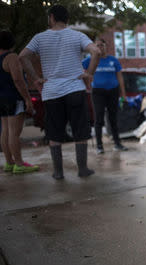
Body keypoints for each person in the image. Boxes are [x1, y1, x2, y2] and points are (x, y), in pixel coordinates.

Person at [19, 5, 100, 179]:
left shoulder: (39, 38)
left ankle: (58, 172)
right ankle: (83, 169)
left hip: (52, 92)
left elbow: (22, 56)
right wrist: (89, 74)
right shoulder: (77, 35)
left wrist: (35, 78)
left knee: (54, 133)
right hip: (75, 90)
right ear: (67, 20)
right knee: (80, 131)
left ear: (51, 17)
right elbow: (96, 51)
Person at [0, 30, 39, 174]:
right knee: (14, 133)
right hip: (13, 98)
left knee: (5, 130)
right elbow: (18, 79)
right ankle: (19, 164)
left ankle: (9, 163)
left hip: (1, 98)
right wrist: (27, 99)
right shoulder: (11, 57)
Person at [82, 38, 128, 154]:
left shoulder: (113, 60)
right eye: (97, 46)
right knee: (99, 118)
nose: (100, 48)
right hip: (98, 92)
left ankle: (117, 143)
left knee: (113, 118)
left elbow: (120, 77)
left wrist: (123, 94)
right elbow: (80, 70)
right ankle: (99, 146)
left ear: (105, 46)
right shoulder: (90, 60)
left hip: (113, 91)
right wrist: (85, 84)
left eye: (101, 45)